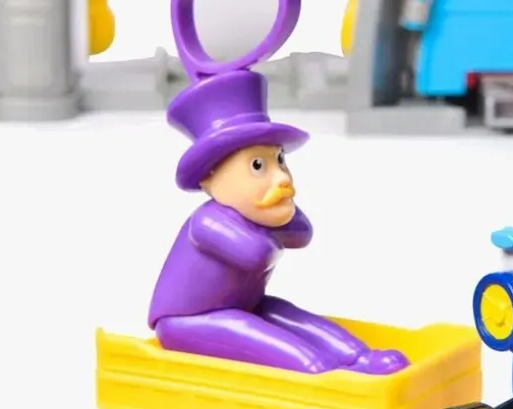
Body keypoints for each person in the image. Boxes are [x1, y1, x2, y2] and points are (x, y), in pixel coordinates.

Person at [149, 68, 408, 375]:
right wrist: (276, 216)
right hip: (186, 321)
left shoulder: (256, 212)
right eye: (258, 166)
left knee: (289, 315)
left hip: (244, 305)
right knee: (250, 330)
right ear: (210, 178)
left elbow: (303, 233)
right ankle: (320, 370)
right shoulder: (207, 222)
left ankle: (358, 357)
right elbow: (258, 253)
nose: (282, 177)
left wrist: (275, 212)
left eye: (280, 160)